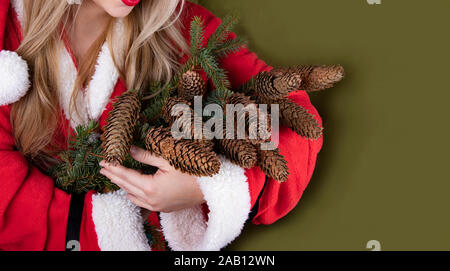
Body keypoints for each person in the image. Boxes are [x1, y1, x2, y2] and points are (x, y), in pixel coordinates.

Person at [0, 0, 323, 251]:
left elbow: (294, 125)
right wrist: (106, 229)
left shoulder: (183, 29)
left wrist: (206, 186)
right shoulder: (6, 29)